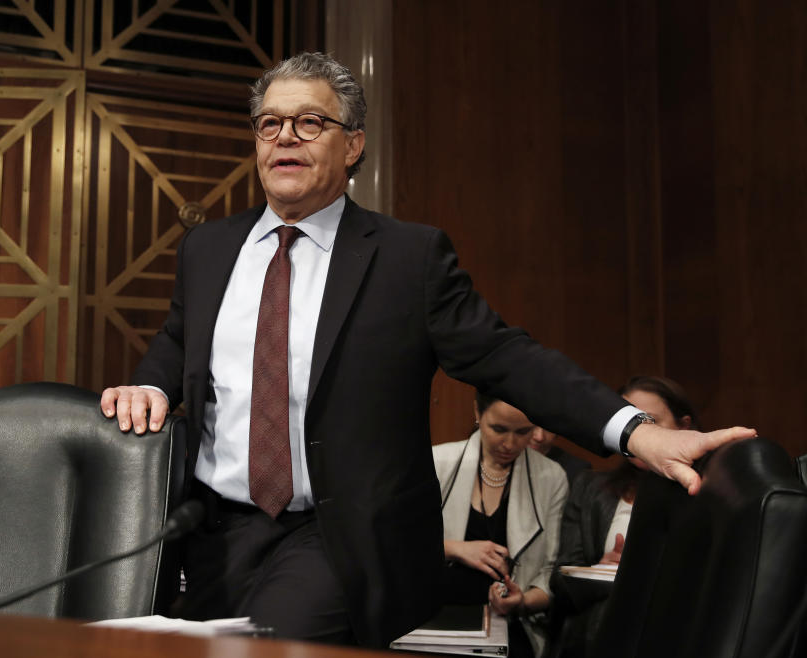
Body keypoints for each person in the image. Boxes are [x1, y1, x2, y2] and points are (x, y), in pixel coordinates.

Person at [99, 52, 755, 648]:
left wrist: (635, 433)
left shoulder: (408, 258)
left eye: (308, 122)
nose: (285, 139)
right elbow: (181, 339)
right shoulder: (208, 249)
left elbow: (507, 357)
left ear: (353, 144)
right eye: (270, 124)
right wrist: (152, 384)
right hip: (213, 532)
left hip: (337, 537)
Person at [550, 375, 698, 656]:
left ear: (683, 426)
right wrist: (601, 571)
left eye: (650, 421)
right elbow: (560, 582)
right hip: (597, 637)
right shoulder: (590, 486)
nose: (640, 434)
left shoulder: (702, 491)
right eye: (631, 423)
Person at [435, 392, 567, 657]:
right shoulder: (438, 462)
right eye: (499, 429)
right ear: (477, 413)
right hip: (437, 616)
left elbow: (549, 572)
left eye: (523, 432)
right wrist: (456, 548)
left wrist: (523, 601)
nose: (509, 443)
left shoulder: (550, 476)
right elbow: (399, 548)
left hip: (509, 624)